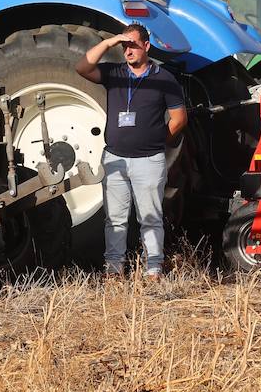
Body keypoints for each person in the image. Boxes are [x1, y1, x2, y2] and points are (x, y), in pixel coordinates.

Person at [75, 23, 188, 281]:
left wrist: (157, 140)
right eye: (125, 46)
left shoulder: (164, 79)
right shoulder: (114, 73)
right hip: (115, 158)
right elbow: (82, 67)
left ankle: (153, 269)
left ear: (146, 46)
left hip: (149, 160)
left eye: (133, 45)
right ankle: (114, 269)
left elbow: (179, 118)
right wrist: (108, 43)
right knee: (114, 219)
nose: (128, 51)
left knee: (150, 217)